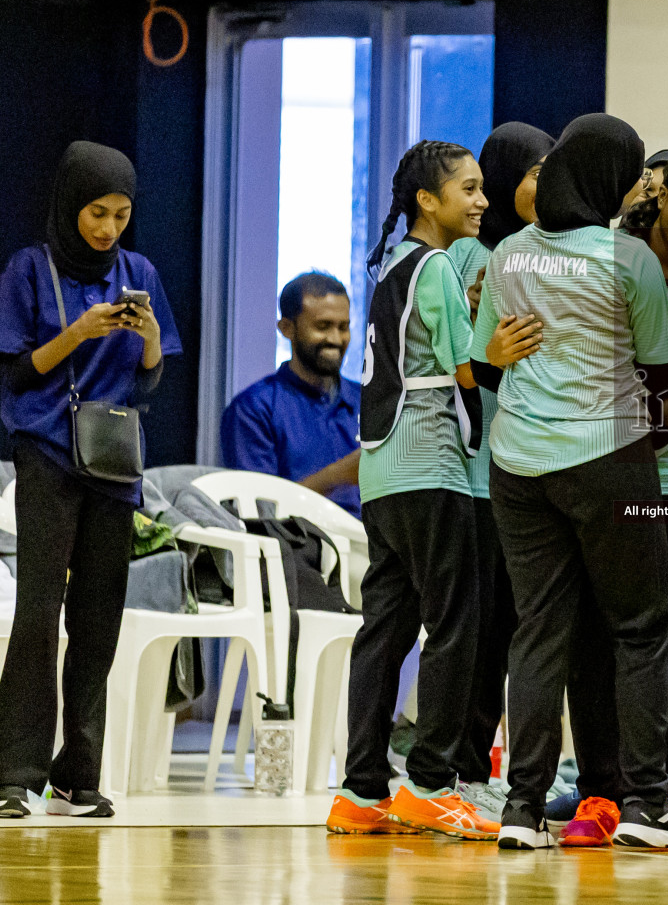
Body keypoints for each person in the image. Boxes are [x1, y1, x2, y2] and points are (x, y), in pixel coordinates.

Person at [475, 113, 668, 851]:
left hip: (516, 462)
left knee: (540, 632)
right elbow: (657, 357)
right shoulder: (627, 259)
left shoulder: (509, 253)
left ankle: (520, 809)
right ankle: (643, 801)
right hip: (607, 457)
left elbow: (490, 355)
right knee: (643, 625)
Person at [0, 141, 181, 819]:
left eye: (121, 215)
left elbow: (152, 373)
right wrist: (80, 332)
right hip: (46, 448)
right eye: (97, 212)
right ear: (72, 205)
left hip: (115, 457)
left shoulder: (141, 271)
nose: (107, 228)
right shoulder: (29, 269)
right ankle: (14, 772)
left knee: (98, 618)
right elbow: (16, 369)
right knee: (40, 610)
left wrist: (148, 333)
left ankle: (79, 773)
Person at [325, 139, 498, 840]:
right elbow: (467, 368)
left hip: (382, 470)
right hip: (432, 466)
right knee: (458, 623)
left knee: (386, 629)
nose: (480, 200)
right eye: (468, 189)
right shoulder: (438, 270)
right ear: (428, 199)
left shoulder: (393, 266)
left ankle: (360, 790)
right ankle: (430, 782)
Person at [444, 121, 553, 814]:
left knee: (515, 627)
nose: (544, 184)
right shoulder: (467, 259)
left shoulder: (537, 256)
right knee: (479, 630)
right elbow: (465, 362)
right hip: (475, 472)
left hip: (520, 470)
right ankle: (457, 769)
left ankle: (486, 769)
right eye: (533, 171)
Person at [220, 272, 361, 516]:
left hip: (372, 548)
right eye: (322, 326)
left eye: (344, 327)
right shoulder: (253, 409)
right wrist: (338, 475)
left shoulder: (367, 400)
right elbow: (258, 510)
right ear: (287, 328)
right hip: (297, 548)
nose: (336, 339)